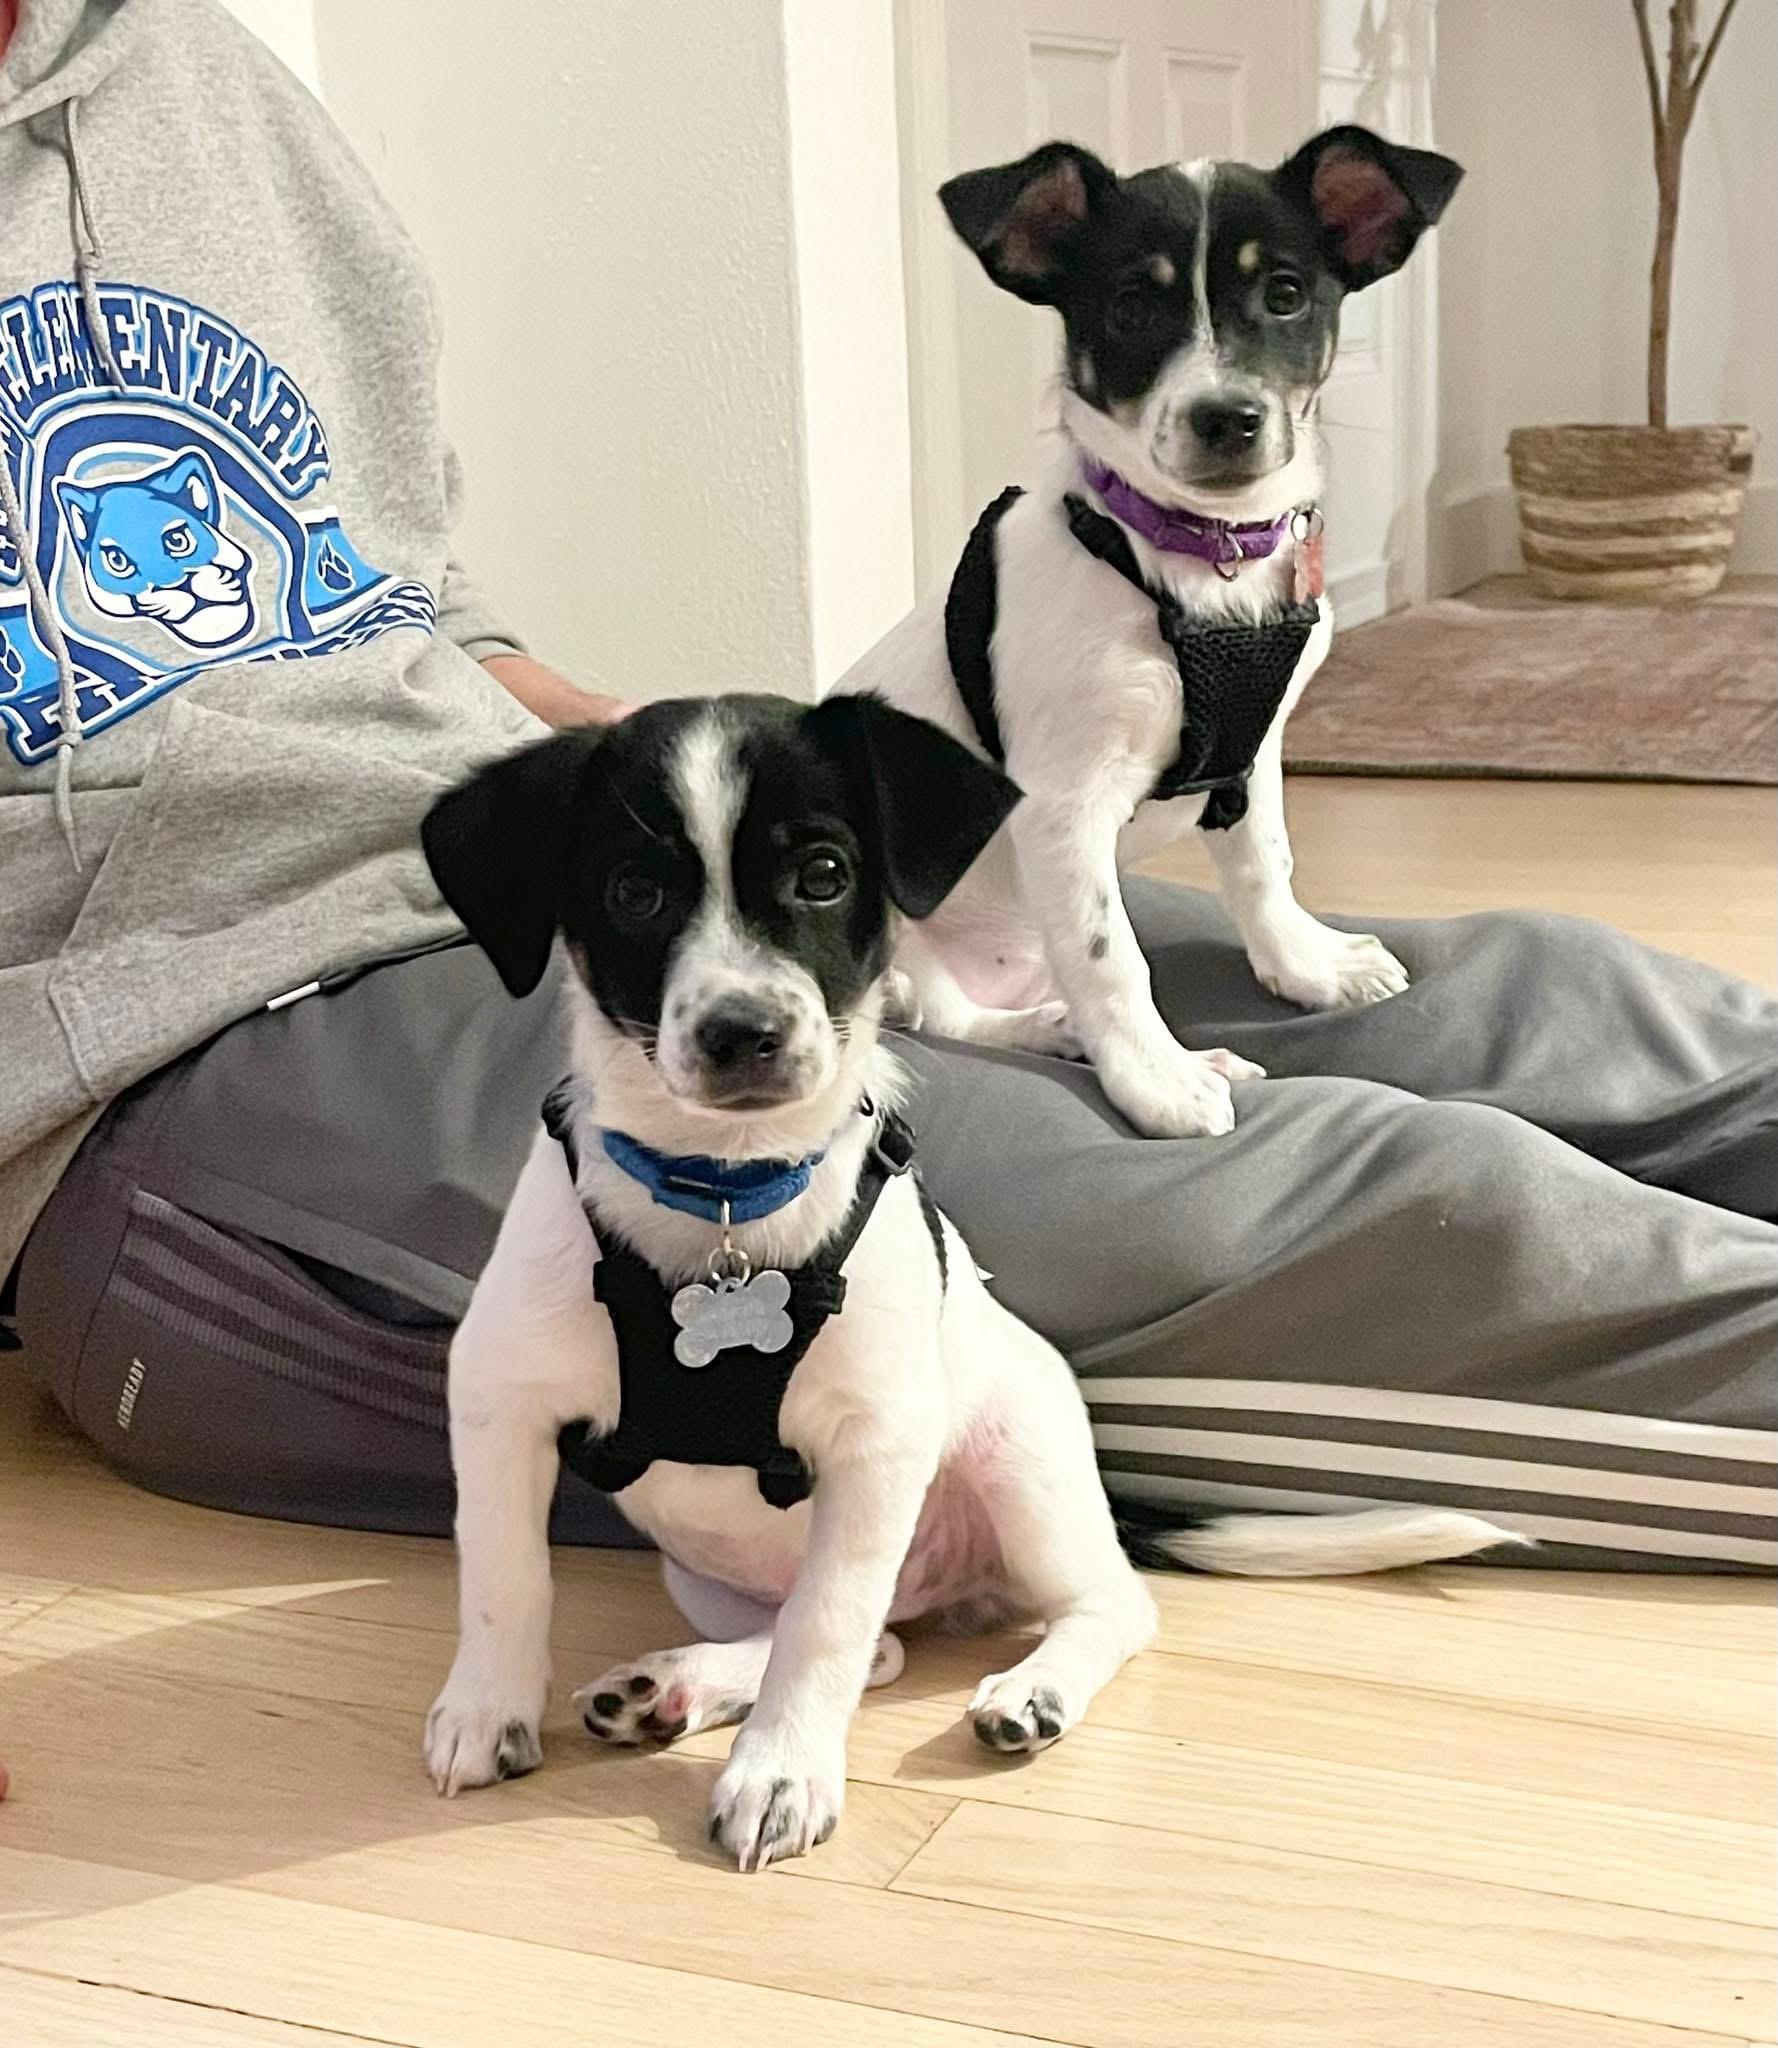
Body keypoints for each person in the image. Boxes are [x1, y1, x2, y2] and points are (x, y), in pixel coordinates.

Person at [4, 0, 1773, 1573]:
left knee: (1545, 1006)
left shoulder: (191, 76)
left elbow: (388, 584)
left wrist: (708, 774)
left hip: (542, 850)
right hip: (189, 1033)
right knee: (1359, 1197)